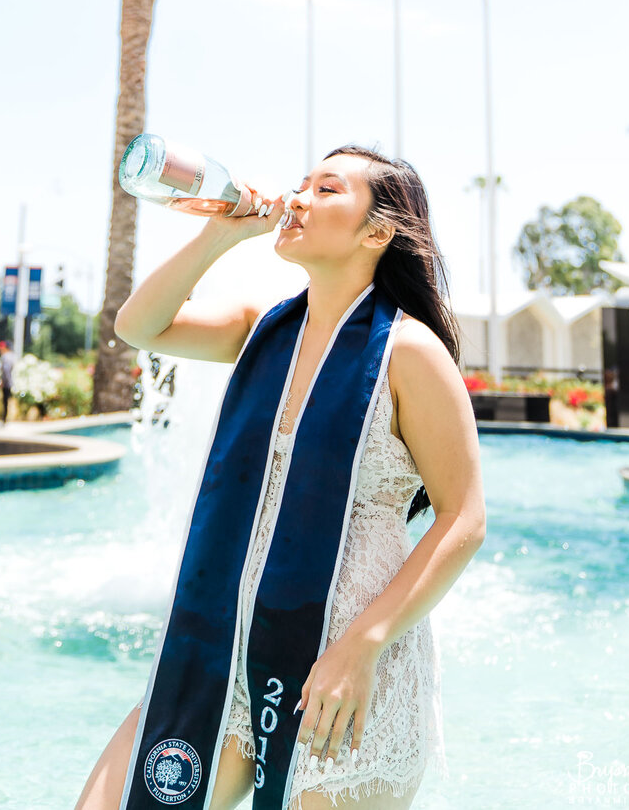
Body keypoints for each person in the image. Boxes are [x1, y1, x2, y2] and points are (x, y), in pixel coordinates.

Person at [74, 146, 486, 810]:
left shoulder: (409, 354)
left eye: (326, 189)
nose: (298, 198)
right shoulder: (259, 329)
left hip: (343, 669)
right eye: (300, 184)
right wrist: (221, 233)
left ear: (378, 232)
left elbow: (463, 517)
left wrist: (363, 646)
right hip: (229, 656)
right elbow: (138, 326)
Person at [0, 340, 16, 423]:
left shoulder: (6, 357)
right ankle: (6, 418)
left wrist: (3, 381)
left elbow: (6, 370)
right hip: (10, 382)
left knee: (5, 401)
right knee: (8, 401)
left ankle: (4, 419)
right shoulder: (12, 356)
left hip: (7, 383)